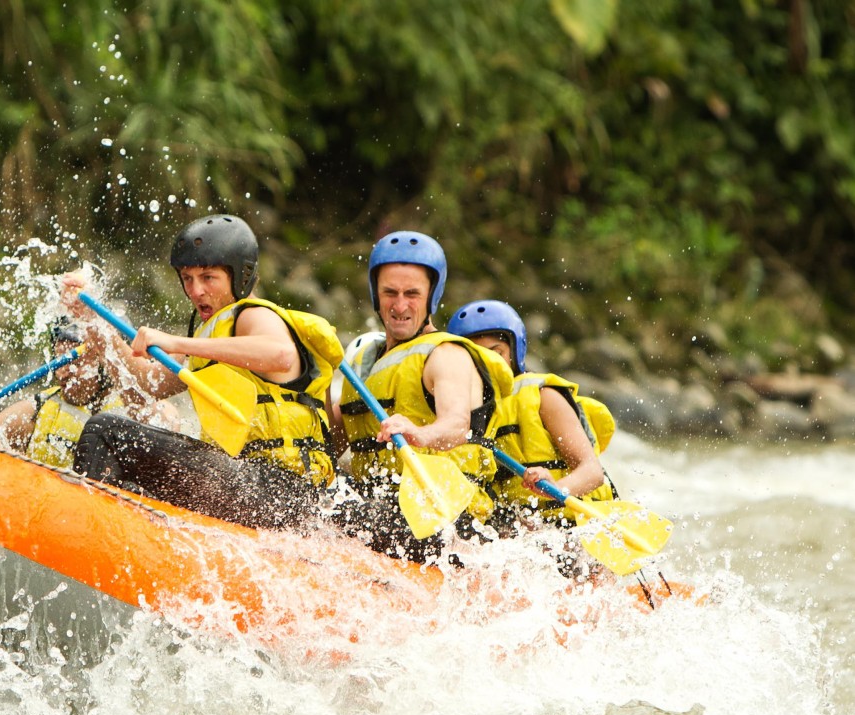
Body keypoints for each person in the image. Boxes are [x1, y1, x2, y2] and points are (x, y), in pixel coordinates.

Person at [67, 214, 345, 531]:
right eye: (187, 278)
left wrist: (177, 342)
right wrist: (95, 324)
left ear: (240, 277)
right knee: (126, 453)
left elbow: (280, 355)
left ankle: (83, 535)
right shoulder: (211, 334)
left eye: (208, 277)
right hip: (253, 486)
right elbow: (143, 388)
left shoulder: (253, 316)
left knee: (105, 431)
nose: (196, 291)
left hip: (277, 489)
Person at [329, 231, 513, 561]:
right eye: (390, 293)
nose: (400, 306)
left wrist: (420, 434)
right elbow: (332, 443)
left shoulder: (445, 355)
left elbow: (457, 424)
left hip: (443, 517)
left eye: (412, 294)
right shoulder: (362, 366)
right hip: (378, 502)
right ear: (376, 294)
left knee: (333, 516)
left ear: (431, 297)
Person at [447, 299, 617, 531]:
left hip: (571, 525)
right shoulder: (461, 411)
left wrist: (556, 486)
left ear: (514, 352)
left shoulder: (543, 397)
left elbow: (592, 472)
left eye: (497, 353)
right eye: (477, 357)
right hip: (516, 531)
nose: (489, 363)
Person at [0, 316, 134, 469]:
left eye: (75, 363)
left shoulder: (135, 411)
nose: (62, 373)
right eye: (59, 361)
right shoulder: (35, 409)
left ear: (106, 366)